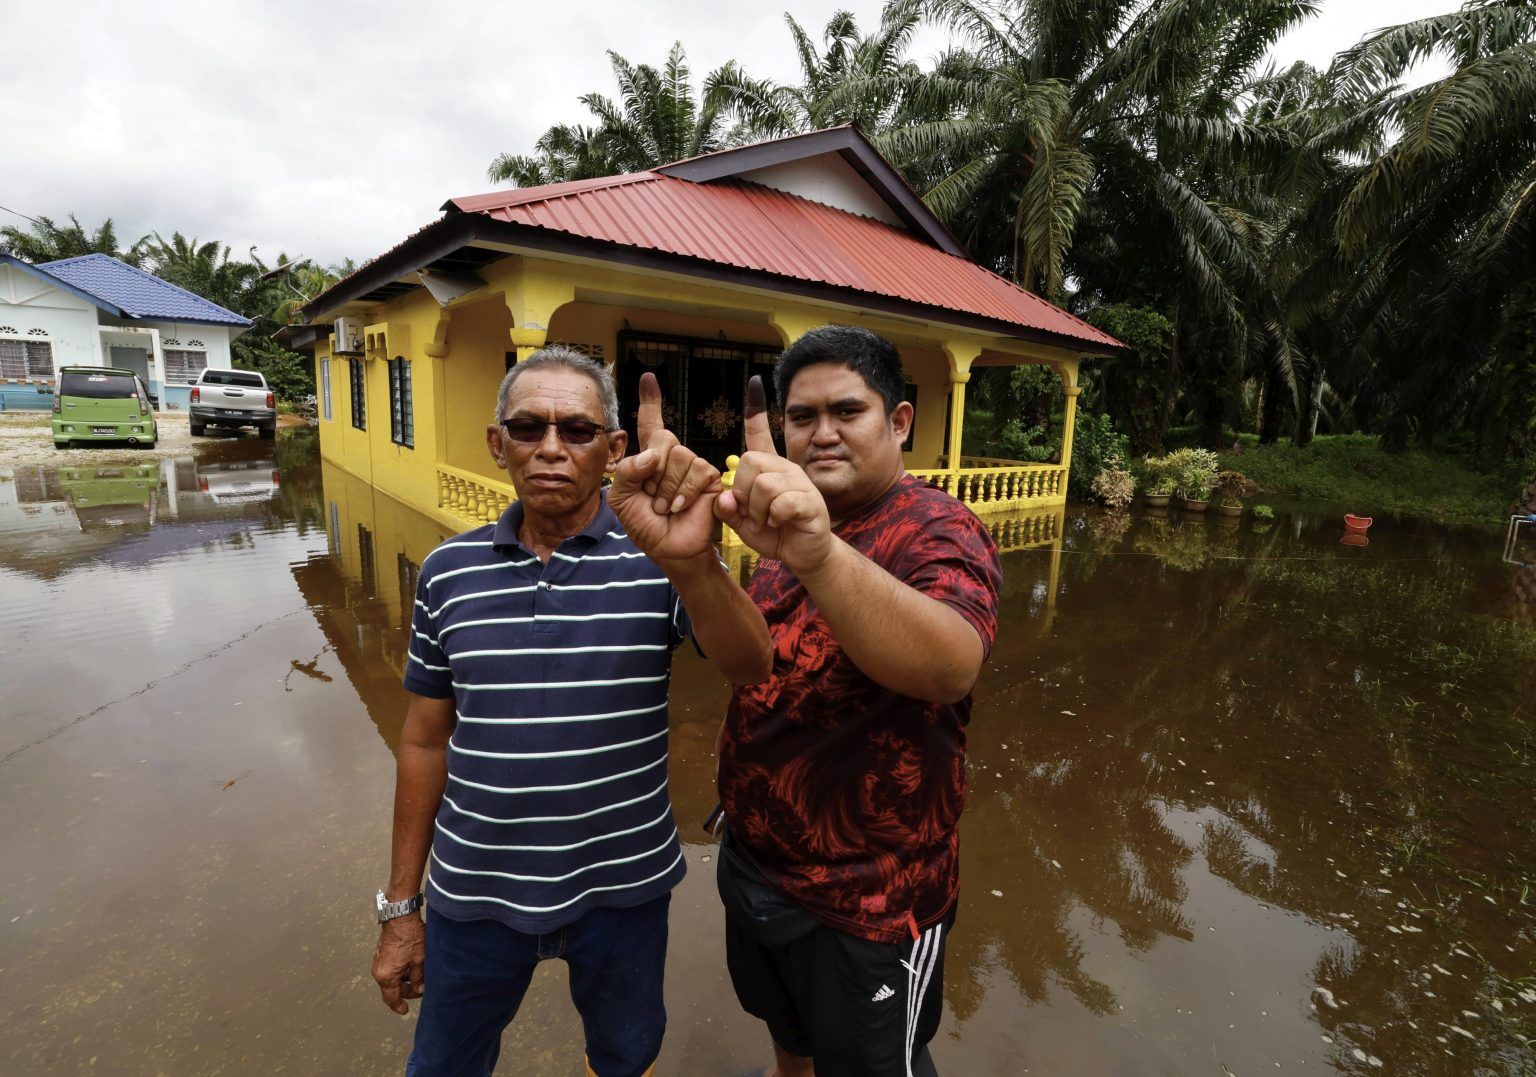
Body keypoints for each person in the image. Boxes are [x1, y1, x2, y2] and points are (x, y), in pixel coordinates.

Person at [371, 345, 771, 1077]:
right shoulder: (446, 572)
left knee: (624, 1055)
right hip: (475, 890)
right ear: (498, 445)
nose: (551, 447)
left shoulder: (660, 558)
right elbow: (425, 742)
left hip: (623, 890)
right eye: (528, 427)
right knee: (443, 1063)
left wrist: (694, 560)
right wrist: (401, 907)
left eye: (577, 430)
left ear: (614, 449)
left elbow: (751, 665)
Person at [713, 326, 1002, 1077]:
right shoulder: (785, 521)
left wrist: (818, 552)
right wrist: (692, 566)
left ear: (898, 421)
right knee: (790, 1040)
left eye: (848, 410)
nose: (822, 433)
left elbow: (951, 665)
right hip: (758, 869)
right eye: (802, 417)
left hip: (872, 906)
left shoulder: (936, 526)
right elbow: (749, 661)